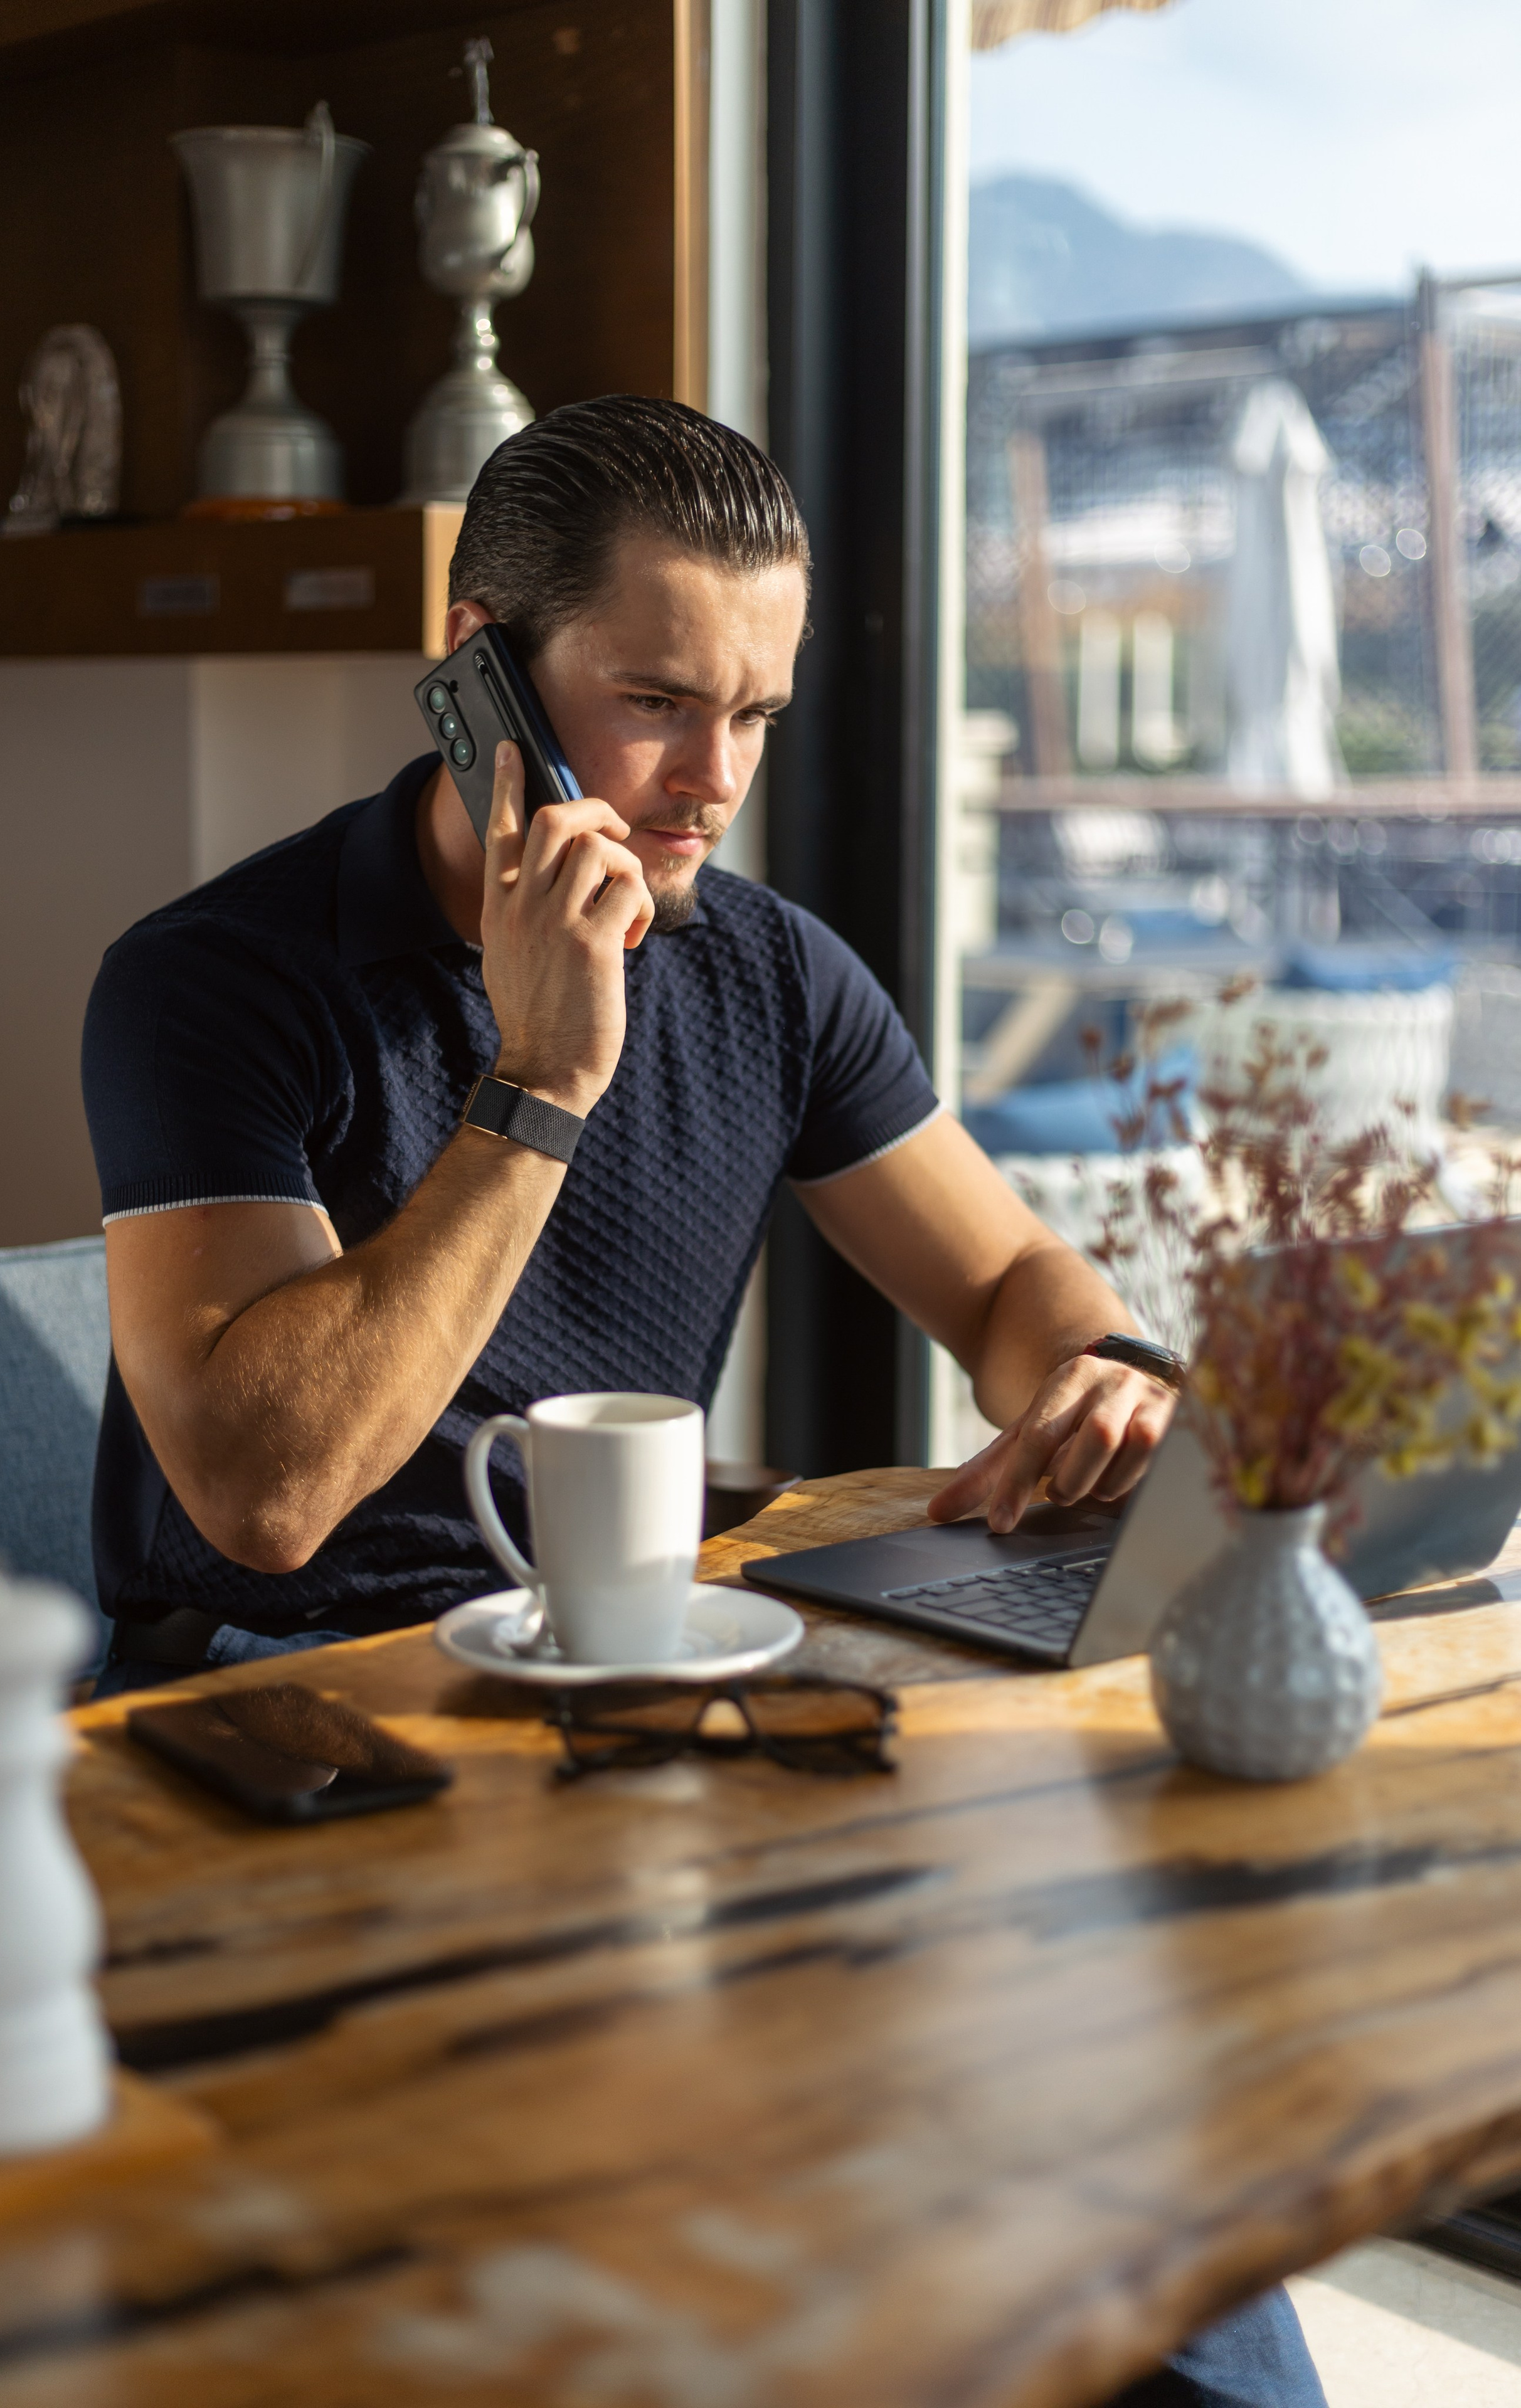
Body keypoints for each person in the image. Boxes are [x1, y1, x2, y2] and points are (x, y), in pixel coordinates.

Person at [80, 394, 1325, 2408]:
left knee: (1108, 2073)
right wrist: (543, 1083)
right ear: (482, 665)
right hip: (298, 1715)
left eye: (756, 713)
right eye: (657, 703)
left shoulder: (772, 973)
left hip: (644, 1694)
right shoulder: (214, 981)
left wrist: (1094, 1374)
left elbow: (1006, 1276)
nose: (711, 783)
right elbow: (265, 1491)